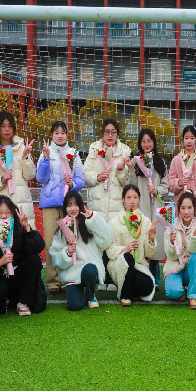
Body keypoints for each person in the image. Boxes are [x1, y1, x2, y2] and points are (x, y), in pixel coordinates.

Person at [84, 118, 133, 292]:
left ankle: (112, 278)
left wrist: (120, 170)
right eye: (107, 132)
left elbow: (127, 182)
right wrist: (97, 177)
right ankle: (99, 278)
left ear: (117, 134)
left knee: (113, 240)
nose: (110, 135)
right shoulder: (94, 149)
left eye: (113, 132)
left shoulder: (125, 151)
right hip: (98, 202)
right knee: (97, 241)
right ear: (102, 133)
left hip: (115, 205)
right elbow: (85, 174)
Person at [0, 196, 46, 316]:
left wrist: (27, 228)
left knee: (34, 259)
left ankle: (24, 302)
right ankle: (2, 302)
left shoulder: (19, 228)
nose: (4, 216)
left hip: (17, 275)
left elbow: (38, 248)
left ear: (13, 213)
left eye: (8, 212)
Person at [37, 120, 84, 294]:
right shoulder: (46, 152)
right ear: (51, 135)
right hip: (50, 204)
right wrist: (45, 159)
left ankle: (66, 280)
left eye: (62, 132)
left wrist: (73, 184)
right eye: (56, 133)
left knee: (69, 241)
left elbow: (81, 178)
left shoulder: (74, 154)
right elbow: (41, 178)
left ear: (67, 134)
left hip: (68, 205)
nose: (60, 136)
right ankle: (52, 282)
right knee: (51, 243)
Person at [49, 191, 113, 311]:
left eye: (76, 204)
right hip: (72, 273)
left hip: (90, 270)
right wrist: (67, 252)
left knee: (90, 268)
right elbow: (55, 259)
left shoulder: (89, 224)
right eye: (69, 205)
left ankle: (90, 295)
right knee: (75, 306)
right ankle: (78, 294)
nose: (73, 208)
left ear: (80, 206)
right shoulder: (62, 230)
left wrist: (92, 219)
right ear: (65, 208)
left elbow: (106, 240)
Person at [130, 128, 169, 289]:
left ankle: (155, 279)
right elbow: (131, 184)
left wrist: (157, 190)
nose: (146, 144)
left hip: (156, 207)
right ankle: (141, 277)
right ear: (140, 144)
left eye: (149, 141)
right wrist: (130, 168)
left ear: (154, 142)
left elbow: (166, 186)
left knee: (155, 242)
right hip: (141, 207)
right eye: (143, 141)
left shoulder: (160, 162)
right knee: (141, 242)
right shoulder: (135, 162)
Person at [106, 184, 158, 306]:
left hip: (139, 266)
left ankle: (129, 289)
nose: (132, 201)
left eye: (135, 197)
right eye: (128, 197)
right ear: (123, 200)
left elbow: (149, 254)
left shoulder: (145, 221)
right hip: (120, 266)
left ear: (139, 199)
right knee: (127, 257)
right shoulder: (114, 222)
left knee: (147, 286)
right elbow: (110, 250)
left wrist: (151, 239)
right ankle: (125, 296)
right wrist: (125, 249)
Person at [0, 111, 37, 229]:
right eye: (3, 126)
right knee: (3, 237)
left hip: (22, 201)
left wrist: (25, 157)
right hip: (1, 204)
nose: (7, 129)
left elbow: (30, 175)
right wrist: (2, 180)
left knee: (24, 236)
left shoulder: (21, 147)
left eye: (10, 126)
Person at [163, 191, 196, 309]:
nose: (186, 212)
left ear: (194, 208)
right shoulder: (170, 226)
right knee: (173, 292)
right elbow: (170, 256)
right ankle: (181, 290)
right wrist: (172, 242)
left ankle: (192, 296)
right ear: (178, 210)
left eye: (189, 208)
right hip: (175, 268)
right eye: (183, 208)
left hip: (191, 270)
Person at [168, 125, 196, 223]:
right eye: (186, 138)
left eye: (192, 138)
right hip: (183, 208)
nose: (189, 141)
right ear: (183, 140)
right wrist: (179, 183)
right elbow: (170, 184)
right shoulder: (176, 160)